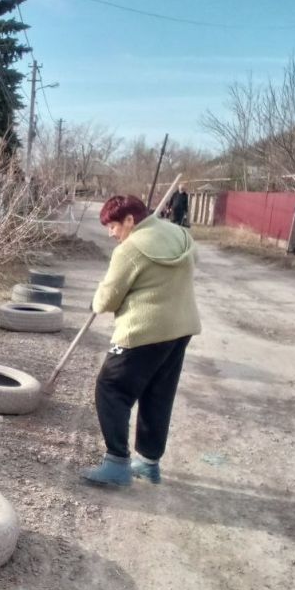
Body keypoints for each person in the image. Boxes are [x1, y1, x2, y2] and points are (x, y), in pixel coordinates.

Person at [82, 194, 200, 487]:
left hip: (143, 332)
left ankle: (117, 463)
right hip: (180, 328)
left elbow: (108, 299)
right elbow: (187, 266)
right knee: (158, 393)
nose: (111, 233)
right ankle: (148, 463)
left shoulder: (130, 250)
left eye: (113, 226)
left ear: (130, 220)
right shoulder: (180, 235)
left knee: (111, 388)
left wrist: (96, 301)